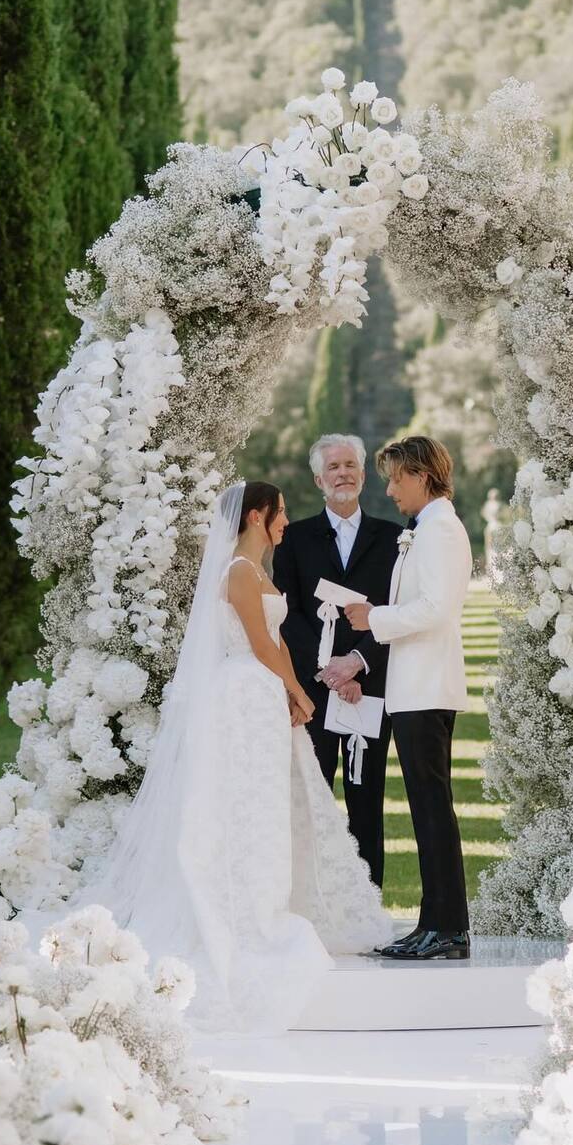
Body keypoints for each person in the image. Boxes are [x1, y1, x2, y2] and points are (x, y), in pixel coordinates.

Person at [74, 482, 390, 1032]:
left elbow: (280, 640)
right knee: (245, 803)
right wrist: (297, 691)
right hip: (245, 693)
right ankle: (244, 910)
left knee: (268, 803)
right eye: (281, 512)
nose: (287, 522)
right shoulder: (239, 573)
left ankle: (271, 897)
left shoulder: (257, 570)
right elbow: (261, 645)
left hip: (262, 692)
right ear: (256, 515)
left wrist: (291, 687)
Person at [345, 438, 473, 961]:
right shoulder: (426, 529)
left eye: (397, 478)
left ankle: (447, 929)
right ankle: (434, 922)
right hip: (413, 688)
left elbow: (437, 609)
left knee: (432, 810)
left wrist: (374, 618)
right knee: (426, 810)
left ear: (422, 475)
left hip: (426, 688)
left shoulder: (441, 529)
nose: (390, 489)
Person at [273, 434, 401, 887]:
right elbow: (288, 616)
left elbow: (398, 610)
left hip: (371, 684)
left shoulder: (395, 540)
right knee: (313, 797)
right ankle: (312, 900)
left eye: (350, 465)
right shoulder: (294, 539)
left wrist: (358, 663)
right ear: (318, 479)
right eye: (334, 467)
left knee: (367, 798)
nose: (343, 474)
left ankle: (369, 905)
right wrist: (330, 670)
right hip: (315, 690)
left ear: (364, 475)